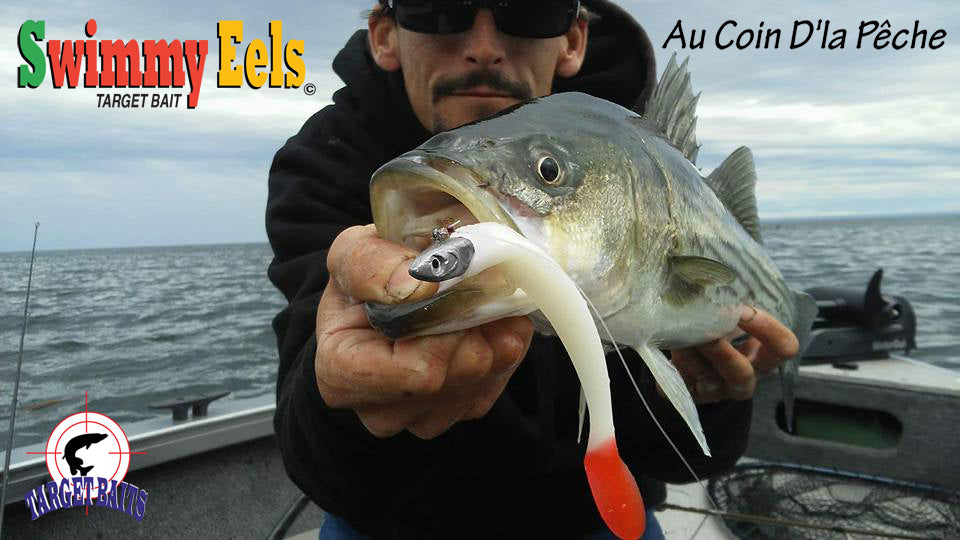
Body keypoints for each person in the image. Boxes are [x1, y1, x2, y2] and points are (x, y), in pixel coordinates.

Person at [266, 1, 800, 538]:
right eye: (437, 7)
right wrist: (341, 393)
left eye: (531, 9)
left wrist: (712, 394)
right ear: (383, 35)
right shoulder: (324, 168)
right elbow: (315, 465)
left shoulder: (632, 163)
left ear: (572, 40)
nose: (483, 46)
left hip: (596, 520)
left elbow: (684, 463)